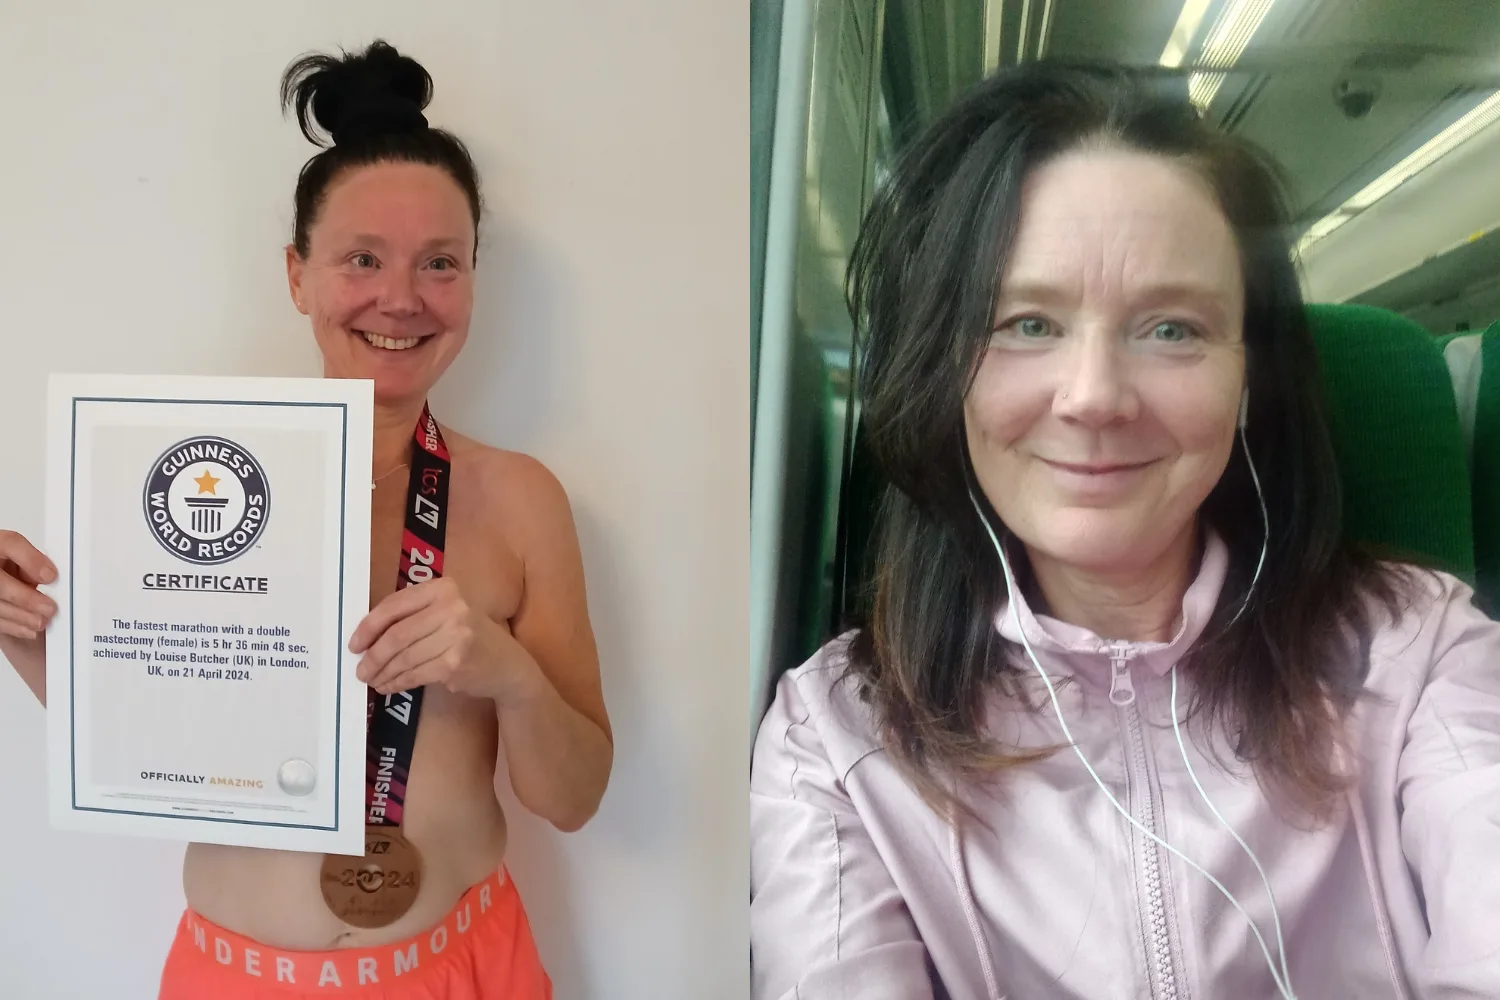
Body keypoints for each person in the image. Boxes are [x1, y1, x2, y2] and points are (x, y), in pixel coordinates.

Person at [749, 62, 1500, 1000]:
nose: (1095, 396)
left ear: (1249, 376)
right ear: (943, 372)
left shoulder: (1420, 654)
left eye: (1172, 329)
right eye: (1027, 323)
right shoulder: (835, 741)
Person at [0, 40, 611, 999]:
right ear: (297, 276)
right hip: (236, 975)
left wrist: (512, 676)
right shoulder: (185, 476)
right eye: (362, 259)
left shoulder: (522, 499)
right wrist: (26, 629)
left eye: (440, 263)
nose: (401, 298)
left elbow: (572, 800)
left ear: (472, 279)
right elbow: (145, 737)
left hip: (462, 965)